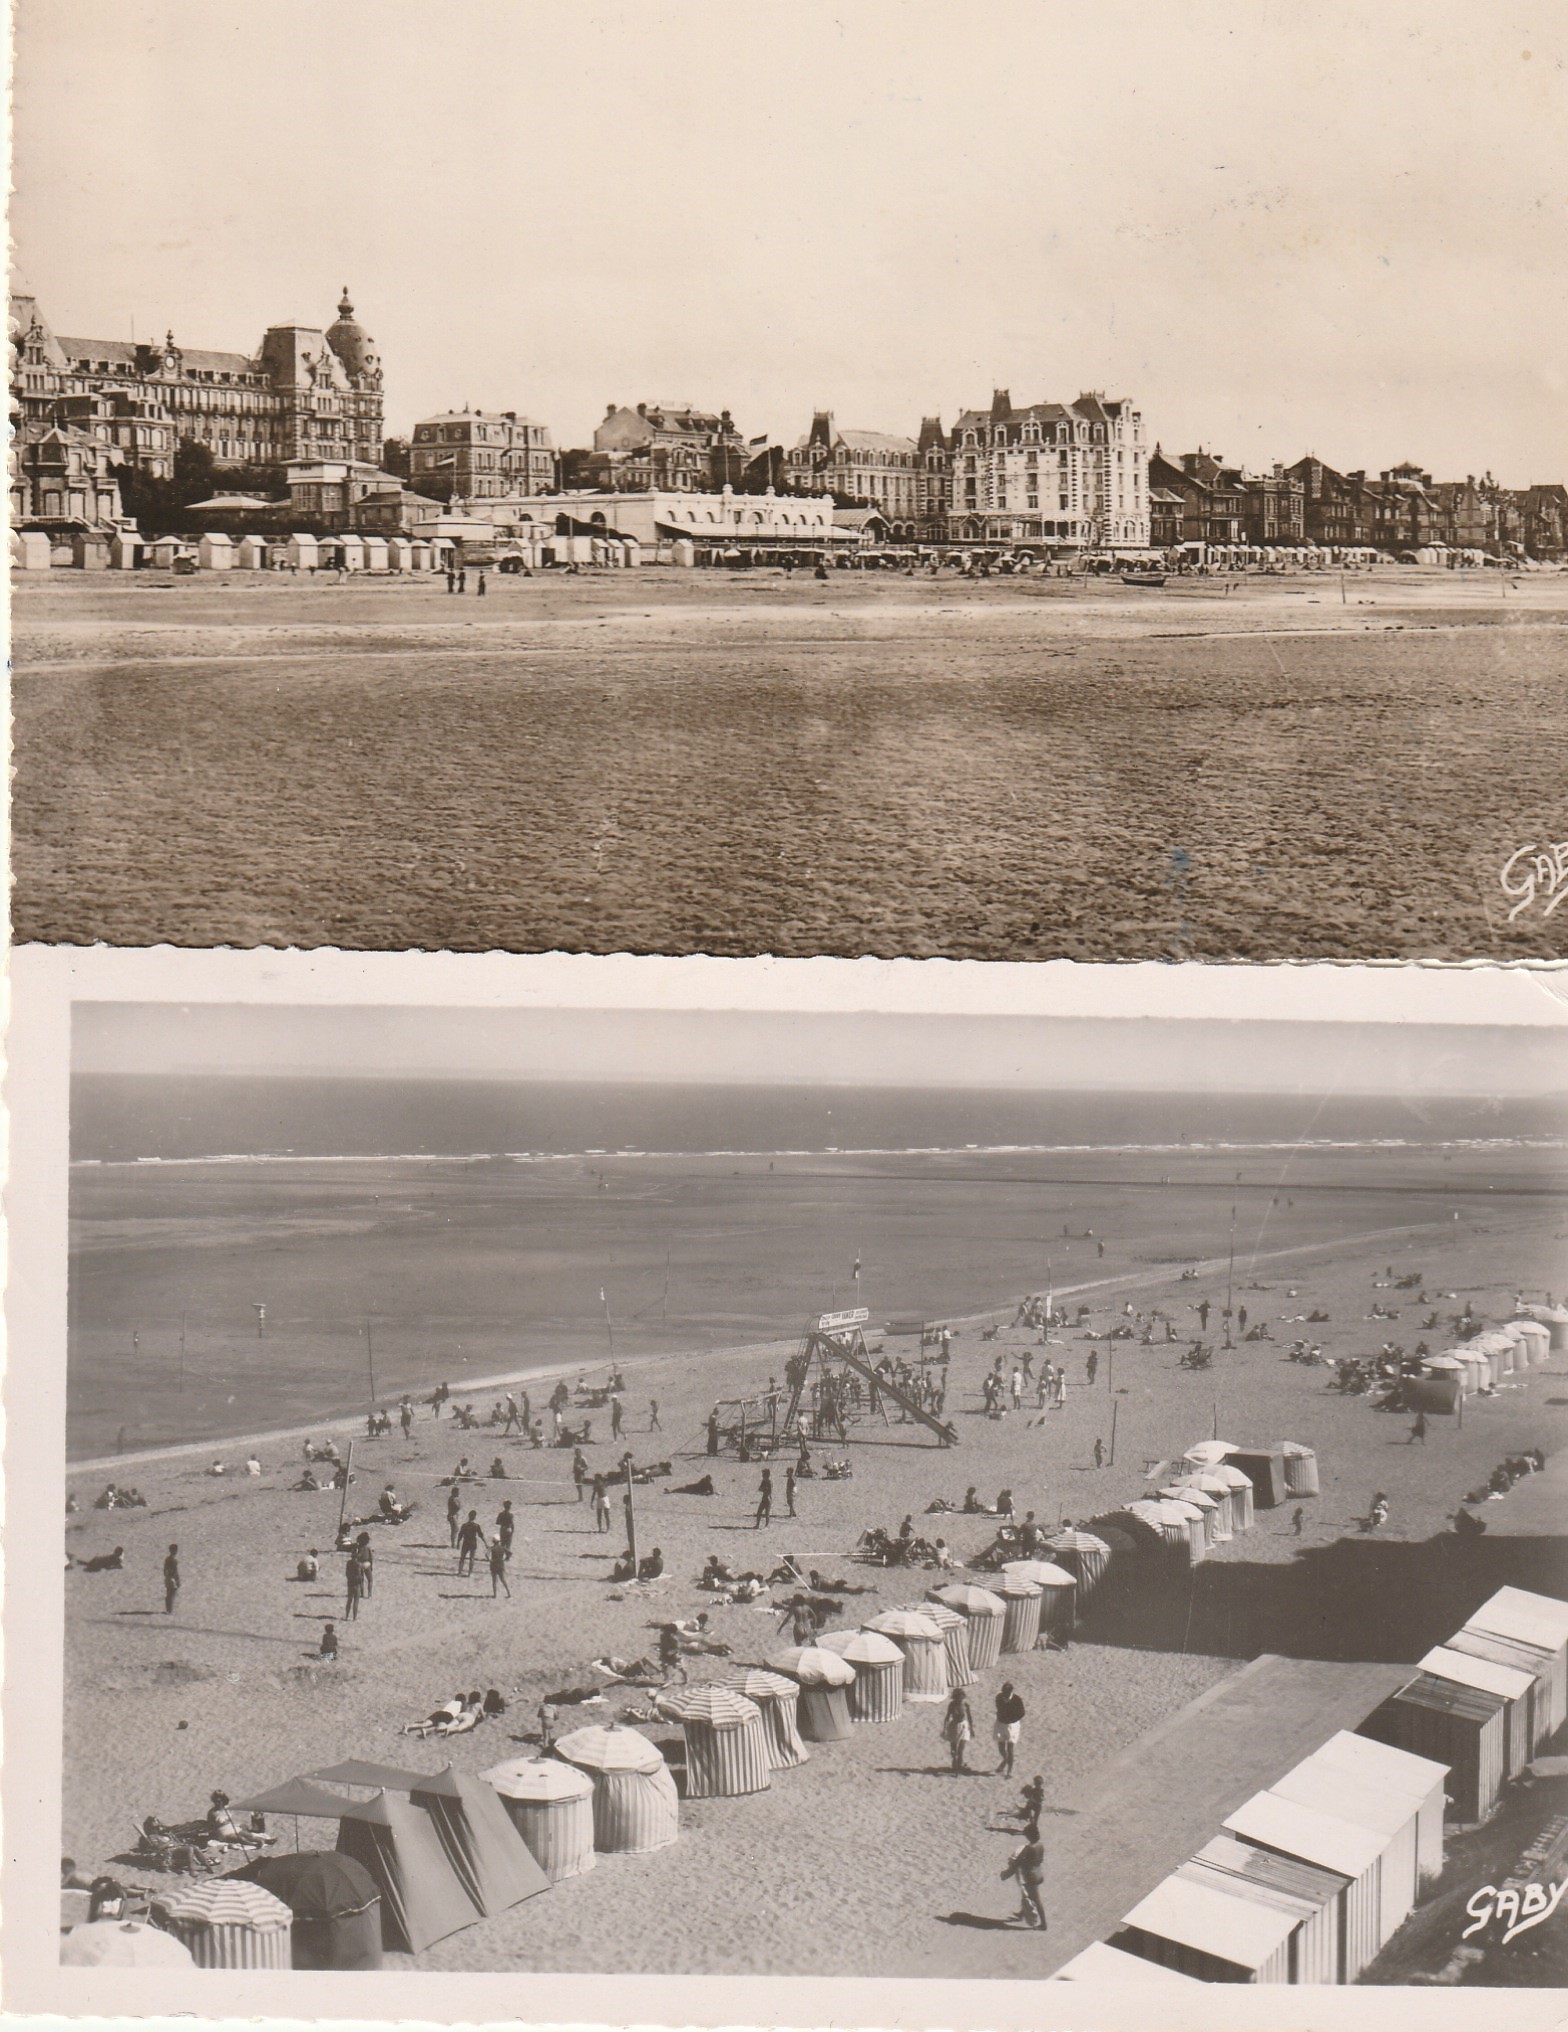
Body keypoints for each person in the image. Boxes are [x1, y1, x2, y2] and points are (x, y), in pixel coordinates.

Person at [1002, 1822, 1047, 1929]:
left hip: (1030, 1876)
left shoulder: (1028, 1848)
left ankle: (1044, 1924)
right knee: (1025, 1894)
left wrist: (1007, 1872)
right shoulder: (1040, 1845)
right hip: (1038, 1873)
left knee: (1036, 1899)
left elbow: (1018, 1862)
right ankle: (1022, 1914)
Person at [994, 1681, 1026, 1777]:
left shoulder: (1017, 1700)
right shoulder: (999, 1697)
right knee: (1001, 1747)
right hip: (1000, 1724)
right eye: (1003, 1691)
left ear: (1011, 1691)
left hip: (1012, 1726)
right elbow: (999, 1707)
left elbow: (1021, 1713)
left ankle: (1009, 1771)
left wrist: (1012, 1718)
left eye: (1006, 1692)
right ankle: (1005, 1759)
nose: (1004, 1694)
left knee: (1010, 1748)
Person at [943, 1687, 975, 1774]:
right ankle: (955, 1763)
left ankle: (959, 1767)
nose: (960, 1699)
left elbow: (969, 1717)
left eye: (961, 1697)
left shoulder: (966, 1705)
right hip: (954, 1726)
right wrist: (944, 1729)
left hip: (963, 1726)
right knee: (953, 1749)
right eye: (958, 1697)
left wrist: (971, 1729)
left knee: (961, 1749)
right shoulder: (952, 1705)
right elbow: (947, 1717)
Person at [456, 1509, 487, 1576]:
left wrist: (458, 1543)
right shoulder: (476, 1526)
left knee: (462, 1558)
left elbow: (460, 1535)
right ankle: (469, 1573)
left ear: (469, 1516)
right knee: (472, 1558)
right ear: (475, 1517)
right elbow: (481, 1535)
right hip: (473, 1543)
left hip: (465, 1542)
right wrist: (485, 1543)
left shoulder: (464, 1525)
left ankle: (459, 1572)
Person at [163, 1543, 181, 1615]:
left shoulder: (167, 1559)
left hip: (168, 1578)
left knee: (169, 1593)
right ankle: (169, 1610)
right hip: (171, 1578)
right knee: (171, 1594)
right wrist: (177, 1580)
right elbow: (175, 1572)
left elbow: (164, 1570)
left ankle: (169, 1609)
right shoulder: (173, 1560)